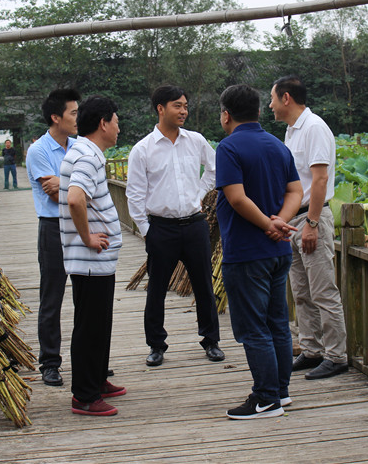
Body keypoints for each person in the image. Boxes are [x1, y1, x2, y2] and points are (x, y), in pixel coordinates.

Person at [216, 84, 302, 420]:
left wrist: (267, 223)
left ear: (227, 114)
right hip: (279, 250)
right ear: (259, 111)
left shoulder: (229, 148)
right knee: (277, 322)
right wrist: (281, 220)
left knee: (253, 328)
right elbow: (295, 190)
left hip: (247, 251)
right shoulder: (278, 146)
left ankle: (265, 399)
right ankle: (280, 392)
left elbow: (236, 198)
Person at [126, 85, 224, 366]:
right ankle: (156, 345)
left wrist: (199, 192)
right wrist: (146, 230)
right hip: (161, 228)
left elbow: (215, 169)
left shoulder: (196, 141)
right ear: (160, 109)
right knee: (156, 288)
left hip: (194, 224)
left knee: (204, 285)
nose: (184, 111)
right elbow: (134, 194)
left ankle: (211, 341)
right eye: (177, 106)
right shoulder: (143, 149)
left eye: (185, 105)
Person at [269, 75, 349, 380]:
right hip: (294, 220)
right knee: (301, 291)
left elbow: (320, 180)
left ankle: (336, 355)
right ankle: (312, 348)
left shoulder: (314, 128)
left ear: (286, 98)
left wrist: (313, 224)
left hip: (311, 218)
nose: (271, 105)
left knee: (323, 290)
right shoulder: (292, 131)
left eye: (273, 98)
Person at [59, 95, 124, 416]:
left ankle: (96, 379)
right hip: (89, 259)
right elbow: (75, 199)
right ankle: (84, 395)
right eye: (116, 119)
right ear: (103, 123)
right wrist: (87, 237)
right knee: (89, 327)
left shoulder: (86, 153)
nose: (119, 126)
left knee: (99, 323)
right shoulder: (87, 156)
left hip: (96, 261)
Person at [25, 89, 81, 387]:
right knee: (52, 297)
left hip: (81, 223)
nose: (77, 118)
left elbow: (85, 187)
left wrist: (66, 182)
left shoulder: (79, 146)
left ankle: (88, 358)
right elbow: (53, 191)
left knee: (87, 295)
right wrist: (75, 184)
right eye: (72, 113)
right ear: (55, 117)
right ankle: (50, 362)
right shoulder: (39, 150)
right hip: (53, 228)